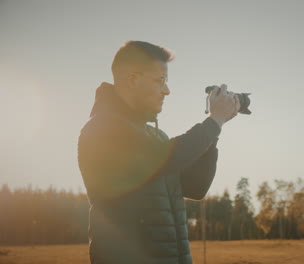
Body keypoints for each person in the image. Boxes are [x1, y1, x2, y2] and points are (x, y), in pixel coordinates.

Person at [77, 40, 240, 264]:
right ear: (133, 79)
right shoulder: (102, 129)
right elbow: (165, 158)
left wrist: (214, 132)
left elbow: (196, 187)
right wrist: (214, 122)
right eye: (160, 80)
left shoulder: (157, 138)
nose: (167, 91)